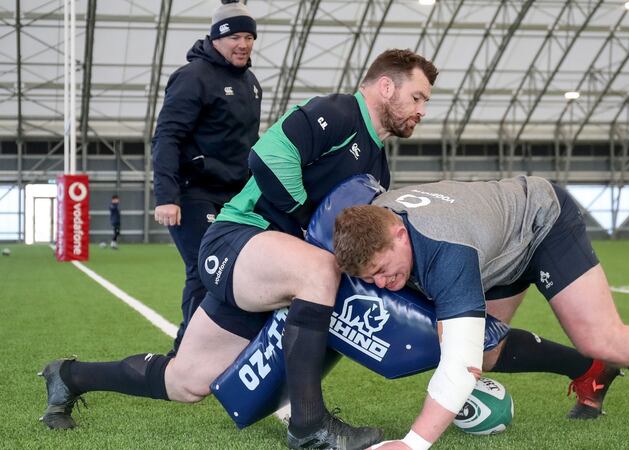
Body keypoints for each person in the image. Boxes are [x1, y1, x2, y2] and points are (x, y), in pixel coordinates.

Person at [39, 48, 439, 450]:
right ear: (386, 87)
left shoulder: (378, 166)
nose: (422, 110)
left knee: (186, 380)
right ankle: (308, 426)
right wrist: (305, 221)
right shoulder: (338, 112)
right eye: (418, 97)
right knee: (320, 269)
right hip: (237, 240)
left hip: (272, 269)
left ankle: (68, 376)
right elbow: (267, 157)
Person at [333, 176, 629, 449]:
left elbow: (458, 366)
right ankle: (590, 371)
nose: (382, 284)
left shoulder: (444, 252)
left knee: (605, 338)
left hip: (542, 224)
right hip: (495, 247)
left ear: (397, 234)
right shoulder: (379, 219)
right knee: (490, 349)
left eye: (383, 271)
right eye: (370, 278)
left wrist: (412, 444)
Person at [151, 0, 262, 355]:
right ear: (216, 38)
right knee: (205, 269)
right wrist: (166, 196)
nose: (243, 44)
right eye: (235, 37)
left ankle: (224, 347)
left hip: (235, 196)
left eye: (249, 37)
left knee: (240, 271)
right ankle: (186, 354)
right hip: (193, 193)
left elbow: (248, 143)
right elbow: (167, 137)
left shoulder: (251, 82)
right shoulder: (192, 77)